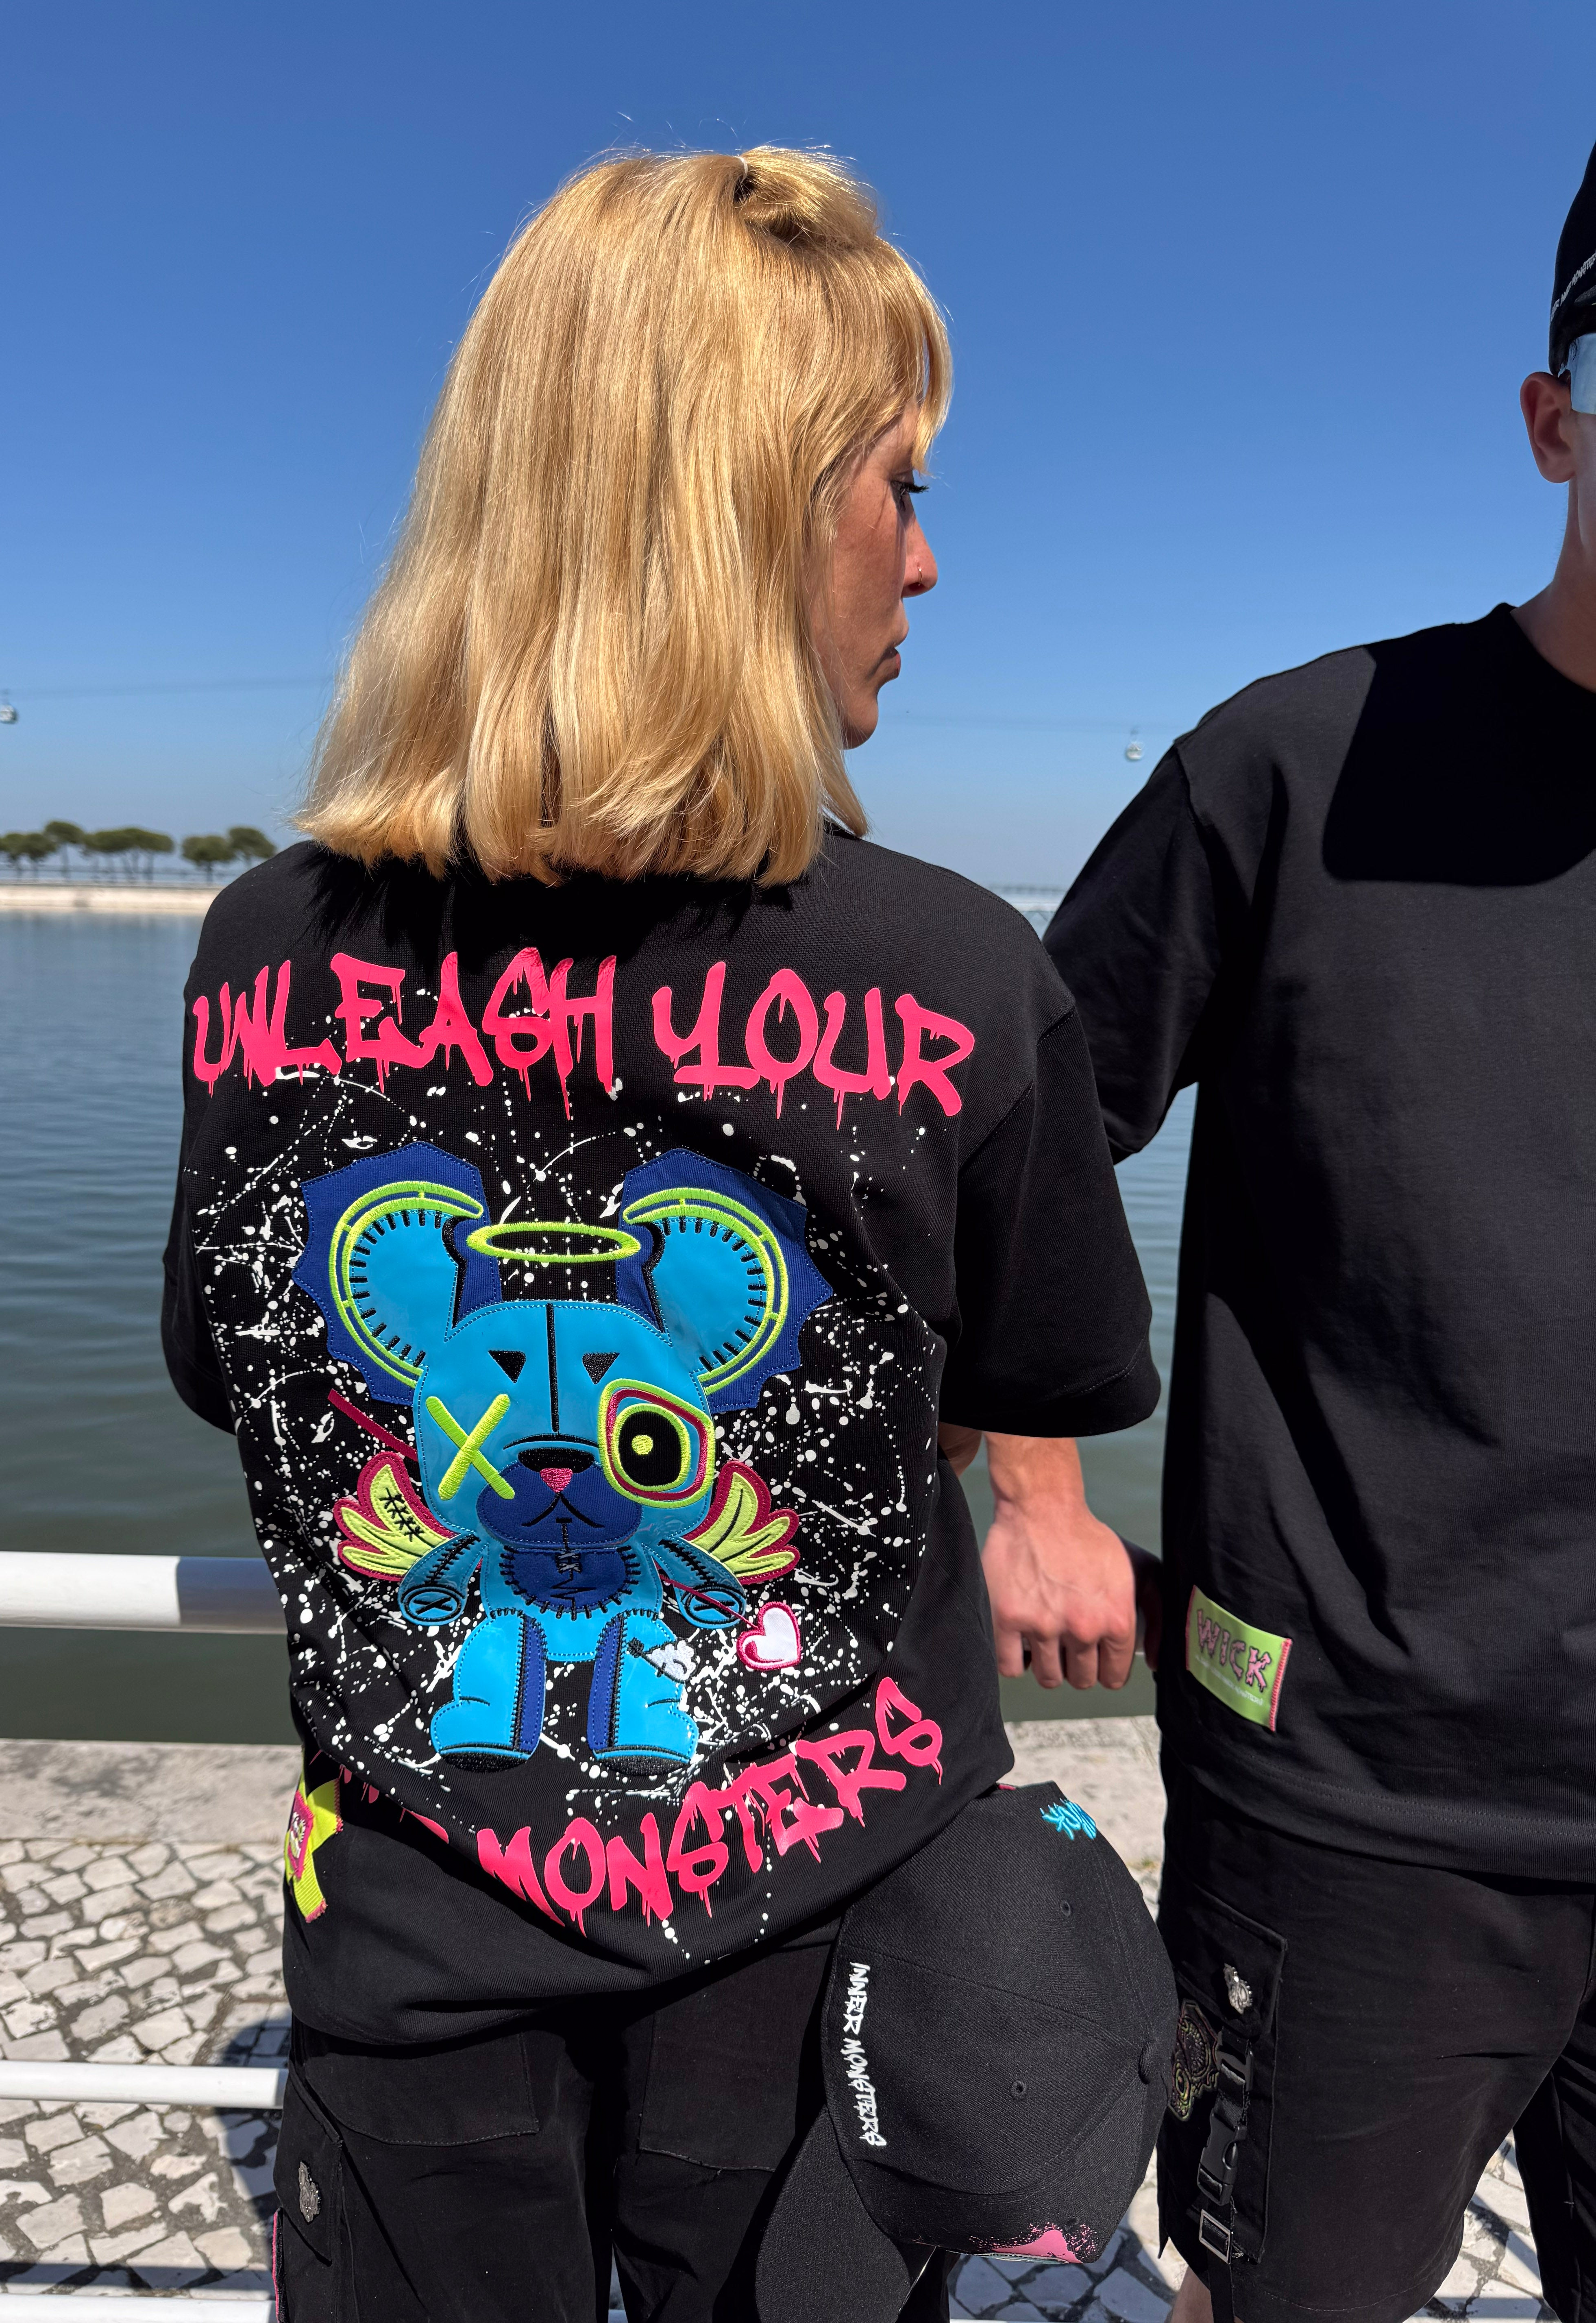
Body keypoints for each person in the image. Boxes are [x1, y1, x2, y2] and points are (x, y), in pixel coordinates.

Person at [161, 147, 1159, 2323]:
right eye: (896, 485)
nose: (925, 557)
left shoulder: (259, 954)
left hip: (407, 1960)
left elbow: (239, 1379)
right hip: (820, 1973)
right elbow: (1007, 1394)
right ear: (745, 510)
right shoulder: (955, 978)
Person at [984, 139, 1596, 2323]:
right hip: (1349, 1810)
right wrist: (1035, 1489)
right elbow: (1021, 1132)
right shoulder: (1294, 766)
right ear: (1555, 419)